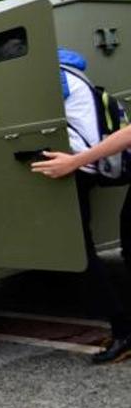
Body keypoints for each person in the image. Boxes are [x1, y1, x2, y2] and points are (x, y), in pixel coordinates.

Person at [30, 48, 131, 363]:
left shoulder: (54, 77)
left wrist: (74, 161)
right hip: (83, 168)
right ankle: (124, 329)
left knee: (83, 253)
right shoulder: (70, 73)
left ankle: (124, 332)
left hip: (79, 171)